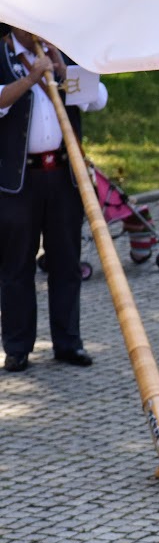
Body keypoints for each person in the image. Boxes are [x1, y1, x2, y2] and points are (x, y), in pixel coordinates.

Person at [0, 25, 106, 373]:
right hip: (19, 180)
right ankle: (17, 347)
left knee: (66, 261)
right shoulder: (1, 54)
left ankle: (68, 342)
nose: (36, 33)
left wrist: (62, 72)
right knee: (16, 266)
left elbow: (97, 100)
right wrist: (32, 77)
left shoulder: (64, 51)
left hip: (62, 174)